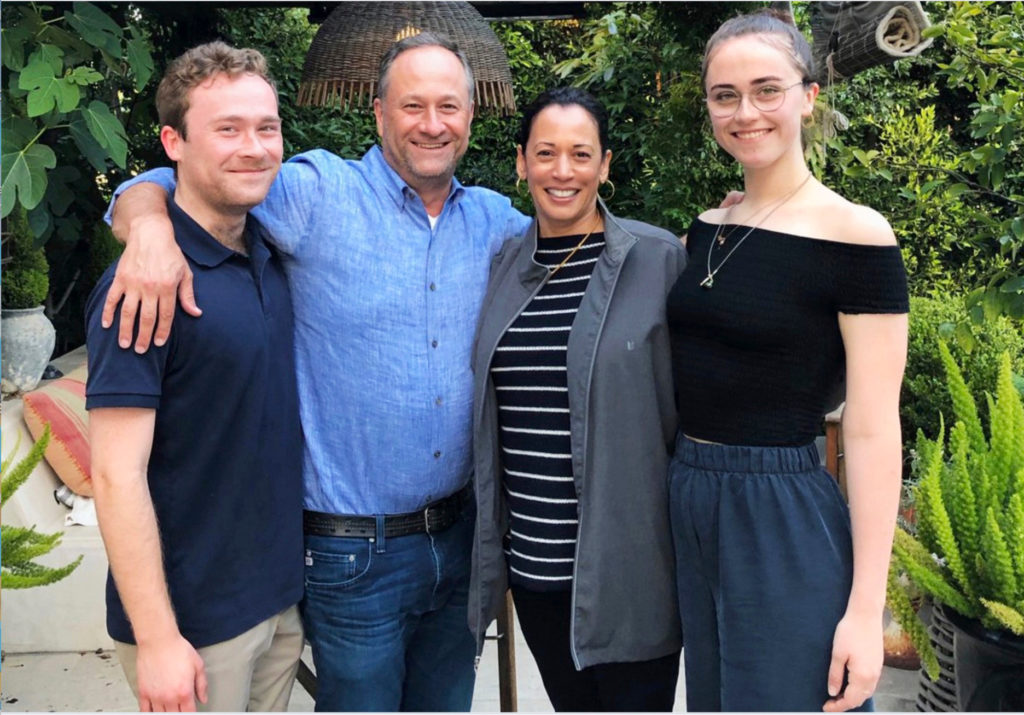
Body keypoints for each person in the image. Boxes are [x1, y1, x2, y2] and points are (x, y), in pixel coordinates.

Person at [102, 32, 530, 712]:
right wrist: (147, 220)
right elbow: (196, 174)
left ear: (471, 118)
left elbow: (580, 239)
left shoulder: (495, 223)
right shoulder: (316, 195)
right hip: (352, 554)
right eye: (412, 105)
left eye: (449, 106)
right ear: (380, 112)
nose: (432, 123)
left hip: (458, 541)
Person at [665, 9, 909, 712]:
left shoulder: (857, 235)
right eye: (725, 95)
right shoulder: (710, 227)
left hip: (782, 508)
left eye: (767, 89)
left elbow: (870, 428)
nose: (746, 112)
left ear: (808, 94)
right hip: (691, 496)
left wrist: (867, 611)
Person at [85, 42, 304, 712]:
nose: (254, 147)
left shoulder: (269, 249)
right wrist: (156, 639)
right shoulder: (144, 286)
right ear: (173, 141)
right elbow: (115, 474)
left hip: (276, 602)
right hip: (193, 625)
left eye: (266, 128)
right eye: (228, 129)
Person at [469, 87, 685, 711]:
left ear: (605, 165)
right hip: (535, 574)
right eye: (546, 153)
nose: (562, 172)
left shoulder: (658, 260)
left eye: (580, 154)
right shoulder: (503, 264)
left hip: (630, 578)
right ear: (521, 162)